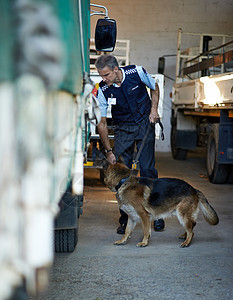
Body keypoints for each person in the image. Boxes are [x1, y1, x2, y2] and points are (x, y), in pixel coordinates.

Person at [95, 54, 165, 234]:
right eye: (101, 75)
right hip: (123, 129)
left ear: (116, 70)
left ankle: (156, 215)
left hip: (144, 124)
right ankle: (125, 218)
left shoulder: (137, 72)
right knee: (121, 175)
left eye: (106, 75)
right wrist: (108, 150)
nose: (104, 79)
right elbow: (101, 123)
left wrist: (154, 109)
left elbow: (154, 87)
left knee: (148, 170)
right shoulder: (103, 89)